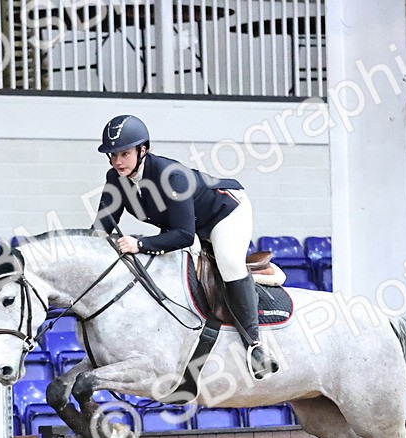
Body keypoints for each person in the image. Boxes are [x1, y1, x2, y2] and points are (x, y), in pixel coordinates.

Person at [91, 114, 279, 380]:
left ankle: (255, 345)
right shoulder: (115, 178)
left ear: (143, 149)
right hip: (186, 222)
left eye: (124, 153)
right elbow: (102, 227)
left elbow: (182, 235)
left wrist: (140, 243)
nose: (117, 161)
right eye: (112, 155)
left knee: (228, 261)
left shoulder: (172, 176)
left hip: (224, 212)